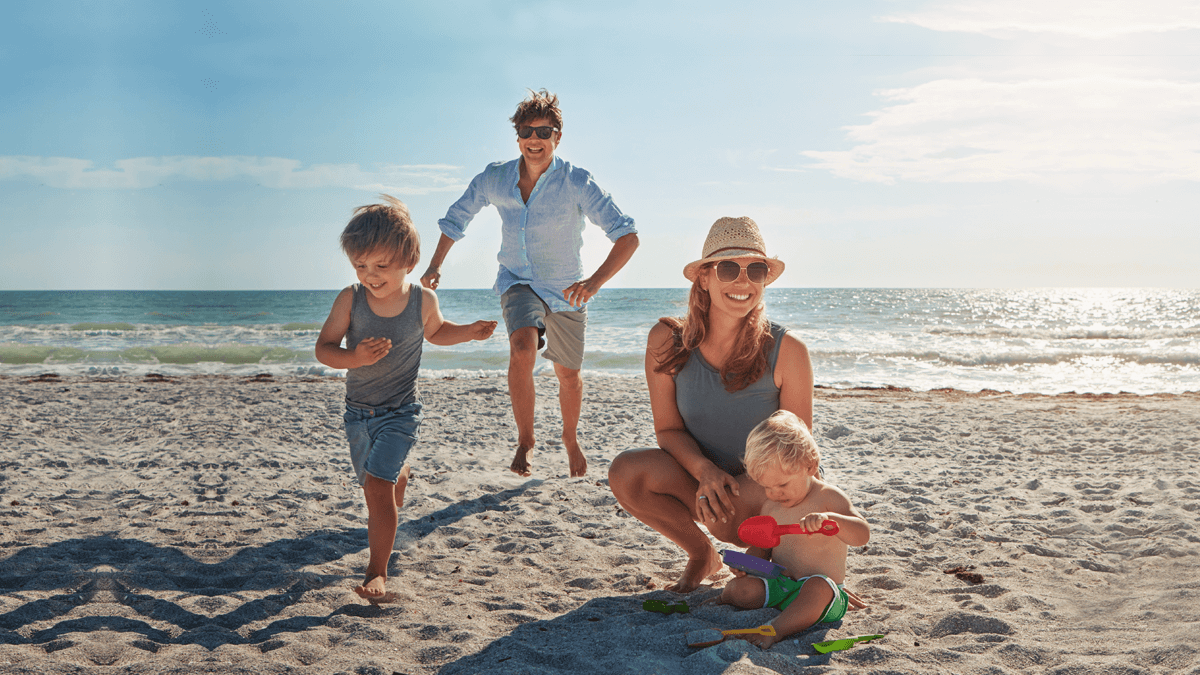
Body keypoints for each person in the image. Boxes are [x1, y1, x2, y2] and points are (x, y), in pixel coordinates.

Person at [420, 89, 638, 479]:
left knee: (568, 376)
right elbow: (456, 218)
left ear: (558, 137)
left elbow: (627, 236)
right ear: (517, 136)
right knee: (523, 347)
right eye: (527, 131)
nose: (534, 140)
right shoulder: (495, 178)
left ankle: (570, 438)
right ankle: (526, 440)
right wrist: (435, 265)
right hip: (517, 281)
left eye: (544, 131)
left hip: (567, 289)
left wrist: (594, 283)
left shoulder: (577, 181)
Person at [607, 216, 810, 593]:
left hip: (771, 490)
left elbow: (797, 453)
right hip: (700, 479)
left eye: (756, 270)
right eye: (729, 268)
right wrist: (705, 473)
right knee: (626, 472)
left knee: (726, 523)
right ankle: (702, 555)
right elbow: (668, 430)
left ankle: (760, 551)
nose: (742, 282)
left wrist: (760, 547)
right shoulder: (667, 340)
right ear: (704, 278)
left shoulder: (789, 350)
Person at [316, 195, 497, 602]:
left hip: (401, 413)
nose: (370, 275)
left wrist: (467, 331)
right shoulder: (350, 299)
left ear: (409, 263)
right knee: (380, 480)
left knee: (376, 489)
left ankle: (377, 572)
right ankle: (399, 473)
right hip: (358, 415)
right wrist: (354, 357)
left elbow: (436, 332)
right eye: (361, 265)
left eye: (381, 266)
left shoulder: (421, 301)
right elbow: (324, 348)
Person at [716, 410, 870, 648]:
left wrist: (831, 520)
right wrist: (746, 566)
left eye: (782, 484)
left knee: (817, 588)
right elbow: (761, 549)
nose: (774, 493)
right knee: (740, 590)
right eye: (766, 487)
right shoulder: (770, 507)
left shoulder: (829, 498)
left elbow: (862, 534)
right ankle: (721, 598)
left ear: (810, 465)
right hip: (781, 586)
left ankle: (776, 629)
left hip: (824, 593)